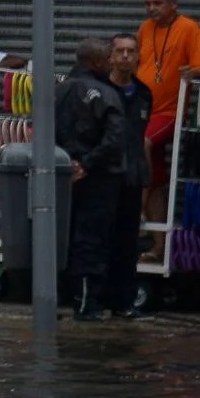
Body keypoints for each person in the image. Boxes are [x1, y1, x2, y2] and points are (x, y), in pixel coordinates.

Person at [60, 38, 133, 322]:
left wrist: (68, 163)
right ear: (96, 62)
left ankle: (64, 297)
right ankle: (87, 303)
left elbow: (37, 131)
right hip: (100, 178)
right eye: (107, 59)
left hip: (62, 176)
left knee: (64, 236)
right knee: (93, 239)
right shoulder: (105, 93)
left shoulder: (57, 91)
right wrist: (87, 164)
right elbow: (116, 139)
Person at [136, 0, 200, 214]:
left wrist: (190, 72)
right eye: (147, 4)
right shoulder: (145, 27)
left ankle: (135, 211)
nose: (151, 9)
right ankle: (157, 249)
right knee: (156, 180)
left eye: (157, 3)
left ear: (173, 4)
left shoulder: (189, 28)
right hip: (142, 109)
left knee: (142, 143)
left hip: (168, 112)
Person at [104, 30, 153, 319]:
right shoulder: (99, 91)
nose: (125, 56)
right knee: (100, 239)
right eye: (120, 51)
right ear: (110, 56)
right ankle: (96, 300)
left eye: (130, 51)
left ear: (137, 57)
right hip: (104, 178)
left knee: (127, 241)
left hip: (131, 178)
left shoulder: (143, 93)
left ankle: (124, 302)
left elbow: (140, 138)